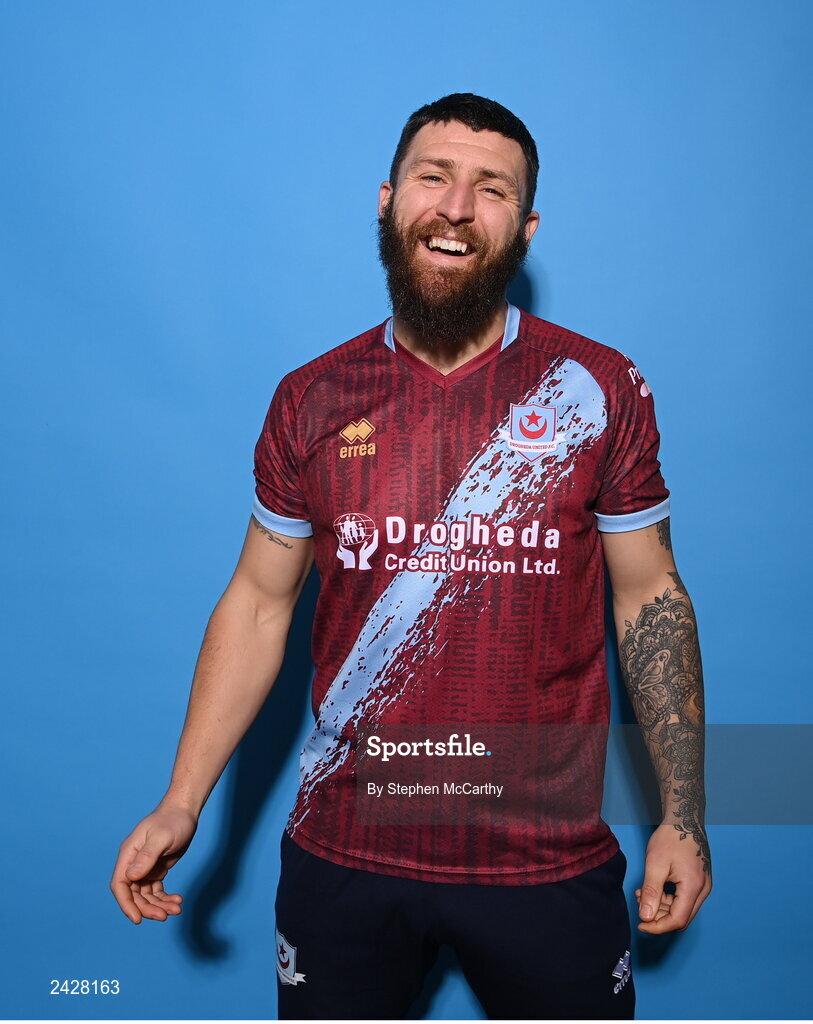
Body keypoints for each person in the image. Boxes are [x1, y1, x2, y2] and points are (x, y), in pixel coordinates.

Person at [110, 93, 712, 1019]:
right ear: (389, 199)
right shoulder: (310, 399)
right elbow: (259, 605)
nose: (457, 207)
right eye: (434, 178)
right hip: (345, 855)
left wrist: (682, 818)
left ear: (526, 225)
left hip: (543, 861)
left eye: (492, 189)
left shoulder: (598, 388)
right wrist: (183, 800)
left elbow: (649, 601)